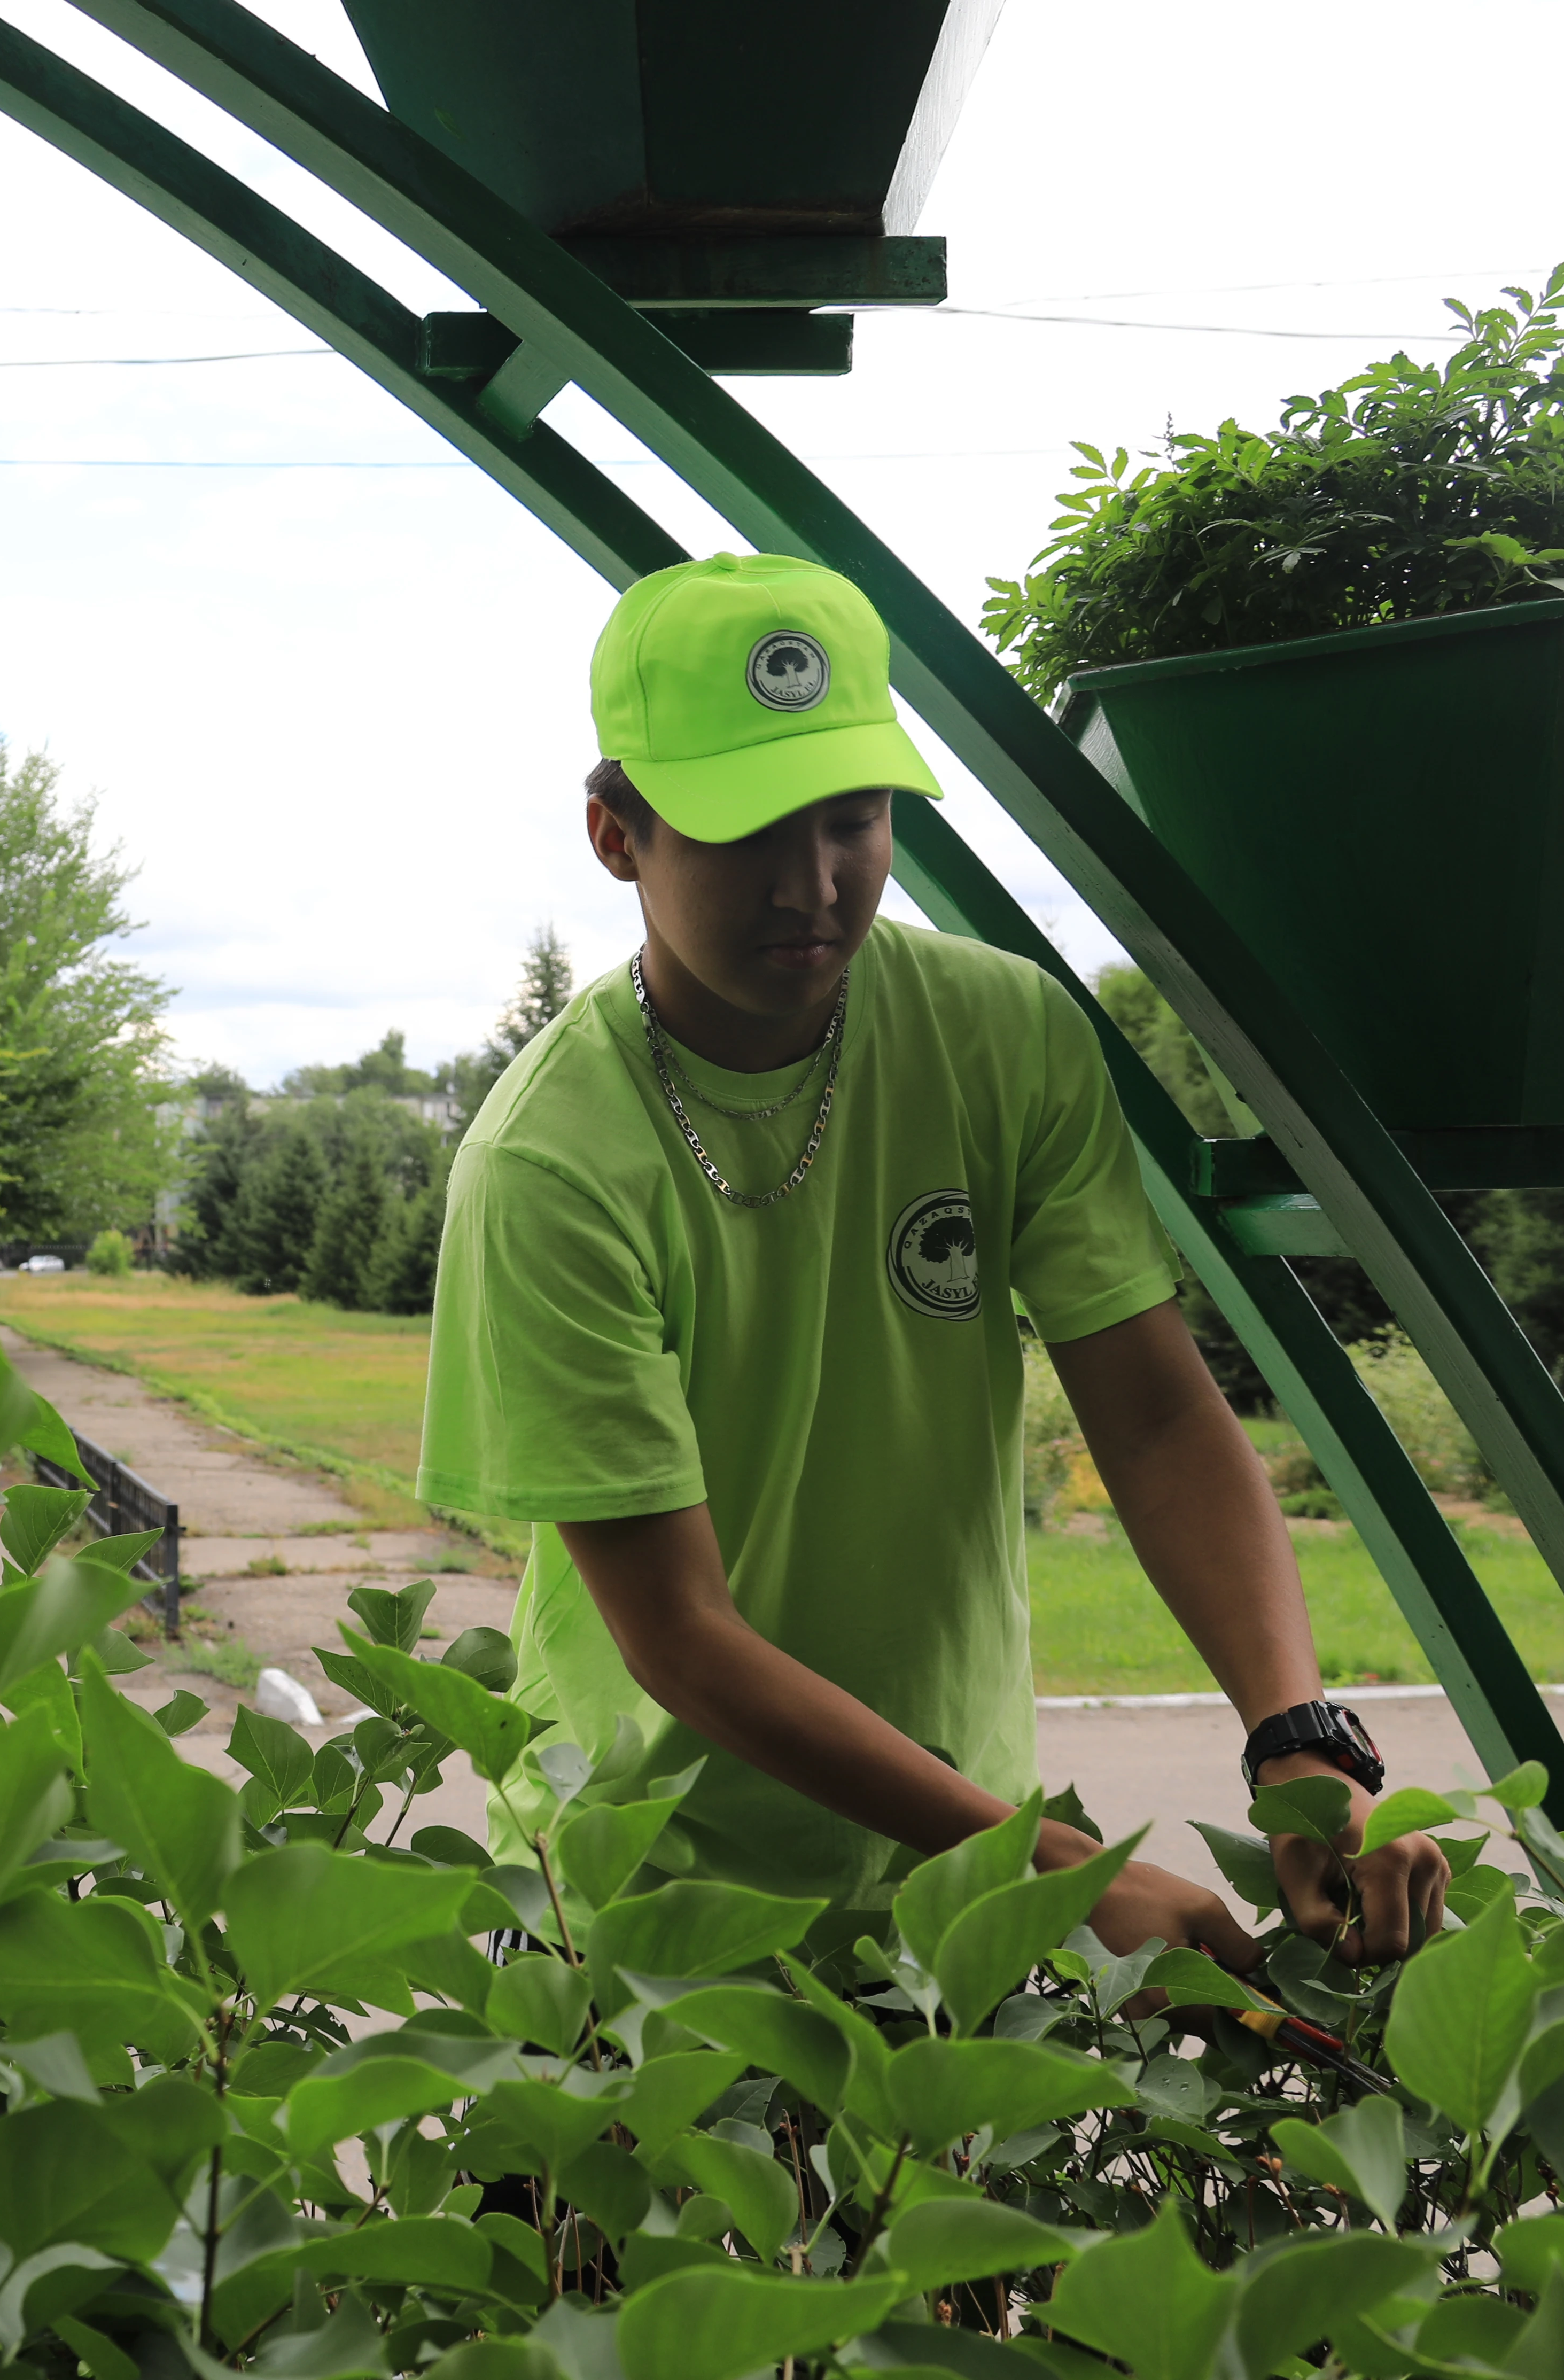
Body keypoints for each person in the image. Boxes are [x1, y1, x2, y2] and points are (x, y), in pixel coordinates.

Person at [416, 552, 1445, 1968]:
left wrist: (1296, 1742)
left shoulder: (1002, 1035)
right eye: (748, 829)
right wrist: (1060, 1877)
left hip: (952, 1879)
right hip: (653, 1906)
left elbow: (1150, 1415)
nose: (814, 884)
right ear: (616, 836)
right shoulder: (549, 1164)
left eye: (856, 818)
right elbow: (679, 1635)